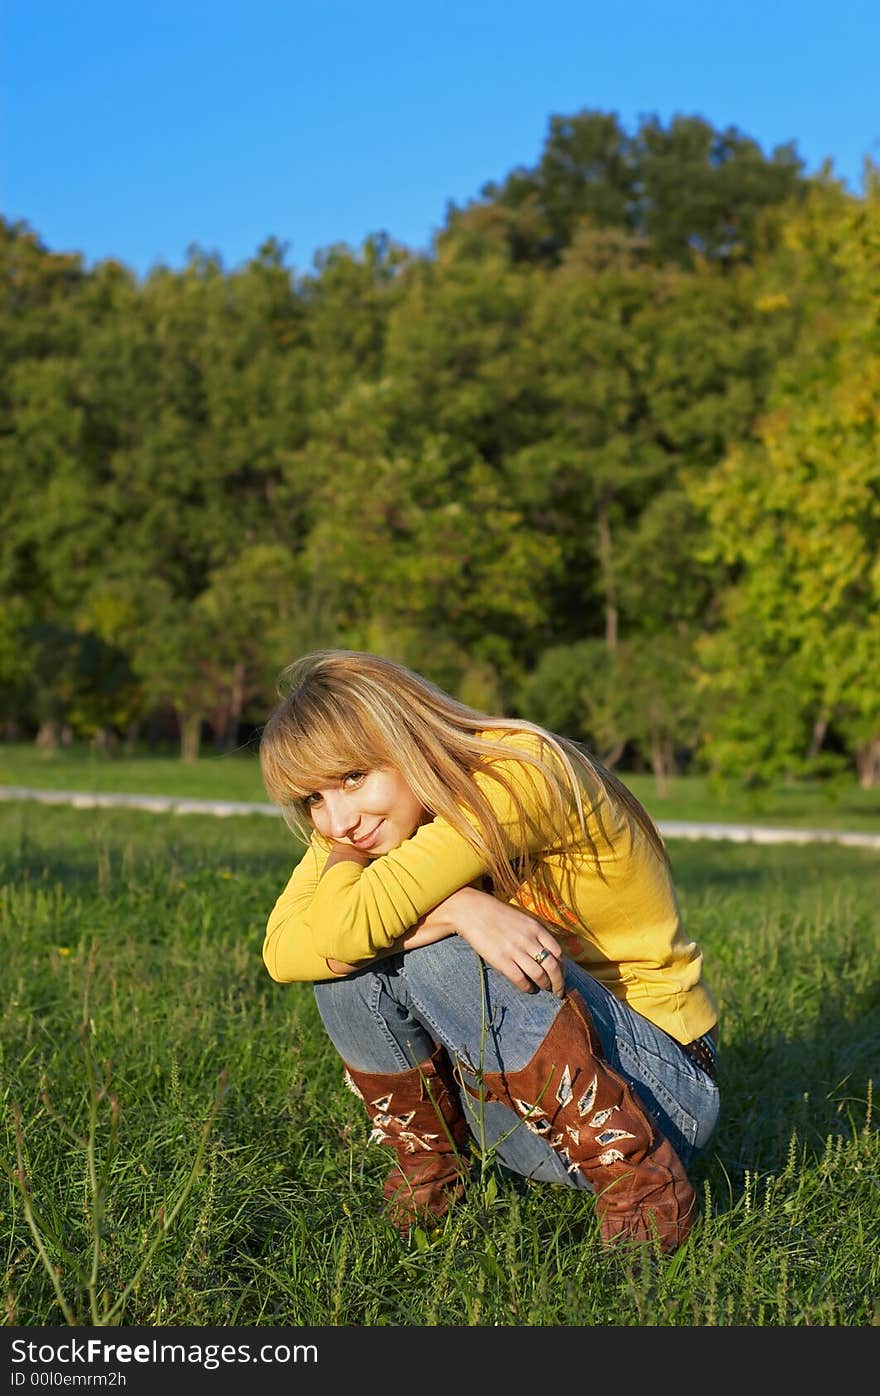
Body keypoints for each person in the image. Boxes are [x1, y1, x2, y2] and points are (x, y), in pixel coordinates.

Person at [259, 649, 720, 1253]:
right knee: (355, 959)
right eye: (312, 799)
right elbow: (282, 951)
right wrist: (458, 907)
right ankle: (432, 1181)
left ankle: (645, 1193)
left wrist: (427, 918)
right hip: (525, 1127)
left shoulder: (517, 774)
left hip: (664, 1095)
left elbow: (341, 930)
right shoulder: (366, 822)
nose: (339, 817)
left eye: (352, 777)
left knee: (406, 948)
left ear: (408, 741)